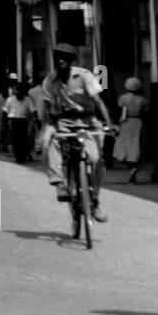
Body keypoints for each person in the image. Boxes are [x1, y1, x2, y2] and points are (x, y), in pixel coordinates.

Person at [41, 43, 113, 223]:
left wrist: (109, 124)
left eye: (64, 57)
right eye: (57, 56)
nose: (60, 60)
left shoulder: (84, 75)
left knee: (96, 159)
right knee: (47, 142)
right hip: (63, 122)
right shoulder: (50, 81)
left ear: (72, 60)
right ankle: (59, 184)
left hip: (88, 122)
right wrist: (47, 125)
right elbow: (48, 108)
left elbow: (97, 101)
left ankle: (95, 200)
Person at [115, 77, 149, 184]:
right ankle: (134, 167)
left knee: (124, 146)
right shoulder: (143, 100)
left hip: (125, 123)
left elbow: (119, 110)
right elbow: (146, 113)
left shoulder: (122, 98)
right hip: (138, 123)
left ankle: (130, 167)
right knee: (136, 146)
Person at [4, 82, 34, 164]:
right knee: (15, 140)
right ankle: (18, 156)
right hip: (13, 121)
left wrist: (36, 119)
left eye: (21, 92)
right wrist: (5, 123)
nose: (19, 94)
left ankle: (23, 155)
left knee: (24, 139)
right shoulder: (10, 100)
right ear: (15, 92)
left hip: (23, 122)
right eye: (17, 92)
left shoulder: (27, 100)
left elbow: (33, 110)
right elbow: (5, 111)